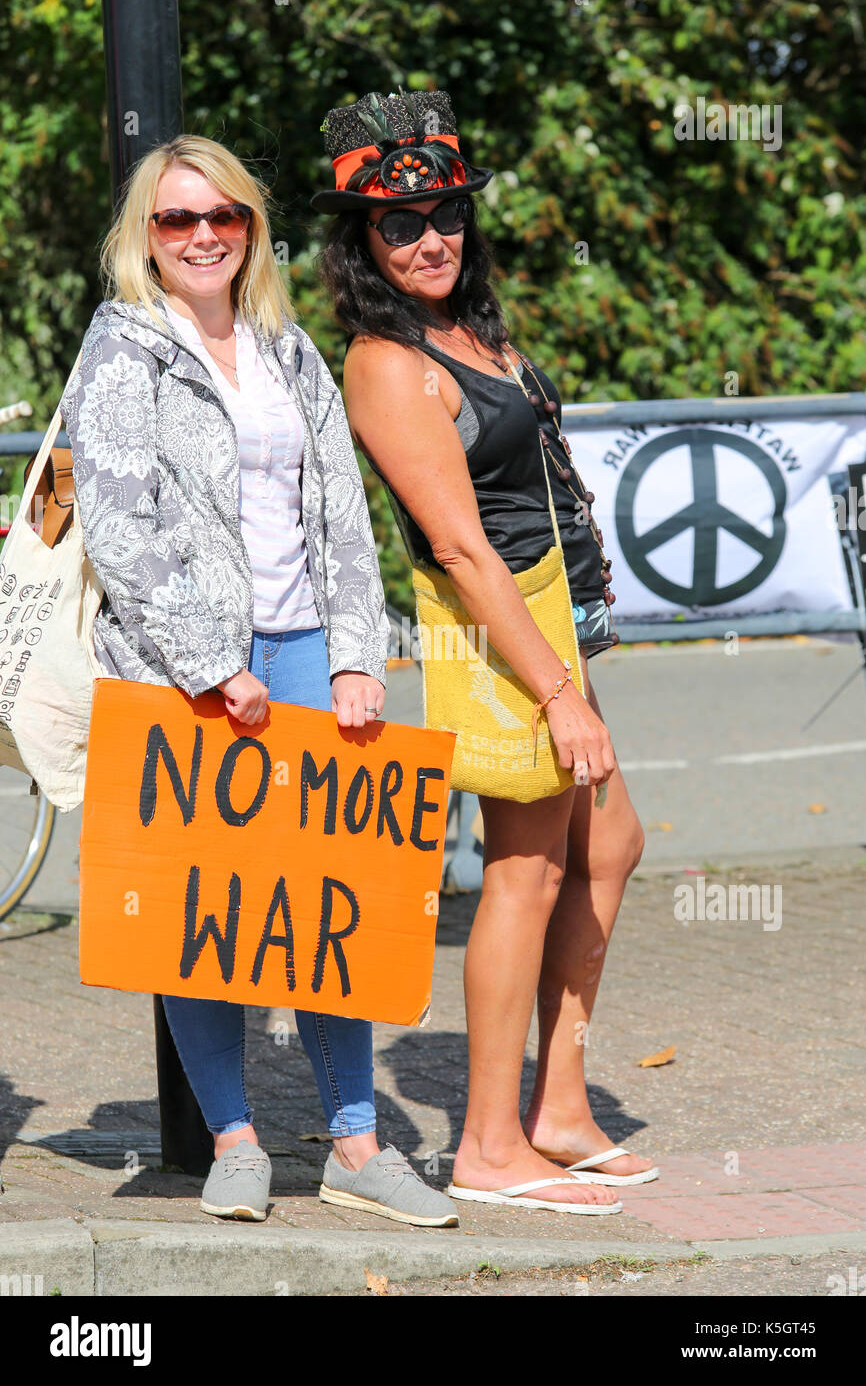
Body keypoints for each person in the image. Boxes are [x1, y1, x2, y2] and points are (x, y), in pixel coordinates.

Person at [62, 134, 457, 1228]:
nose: (202, 236)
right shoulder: (123, 346)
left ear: (251, 227)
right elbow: (119, 524)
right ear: (146, 235)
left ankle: (356, 1142)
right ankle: (233, 1138)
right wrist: (209, 662)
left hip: (300, 652)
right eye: (177, 219)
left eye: (222, 216)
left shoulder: (287, 349)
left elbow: (339, 508)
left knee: (329, 903)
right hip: (184, 672)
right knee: (203, 917)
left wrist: (352, 654)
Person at [314, 91, 653, 1214]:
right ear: (359, 240)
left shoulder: (474, 326)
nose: (428, 238)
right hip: (501, 633)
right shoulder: (384, 358)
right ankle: (486, 1142)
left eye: (445, 212)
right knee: (524, 872)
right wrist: (556, 690)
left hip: (557, 614)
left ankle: (555, 1103)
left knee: (609, 848)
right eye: (398, 224)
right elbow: (458, 545)